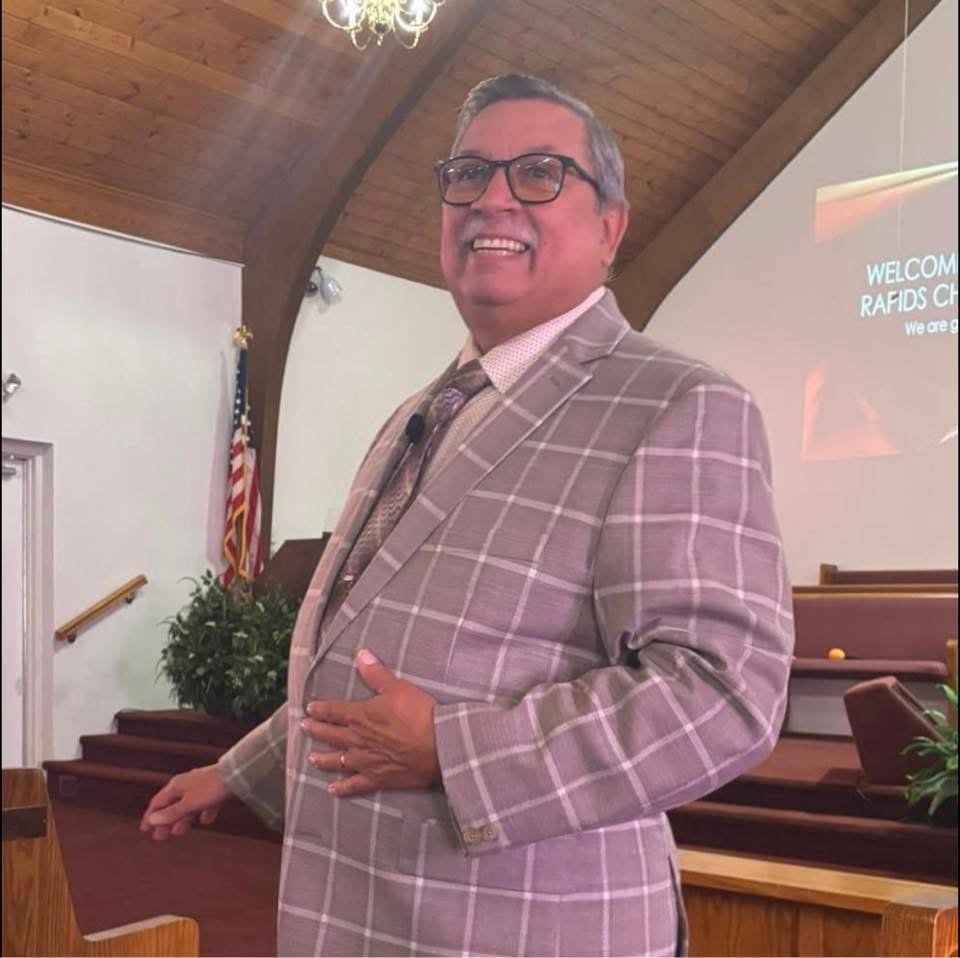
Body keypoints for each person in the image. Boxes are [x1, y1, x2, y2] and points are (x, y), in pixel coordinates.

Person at [142, 74, 794, 957]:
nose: (493, 197)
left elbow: (721, 696)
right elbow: (371, 652)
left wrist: (455, 749)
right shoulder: (425, 408)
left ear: (610, 227)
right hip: (361, 918)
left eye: (538, 173)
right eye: (469, 173)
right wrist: (240, 768)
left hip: (520, 928)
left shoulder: (676, 405)